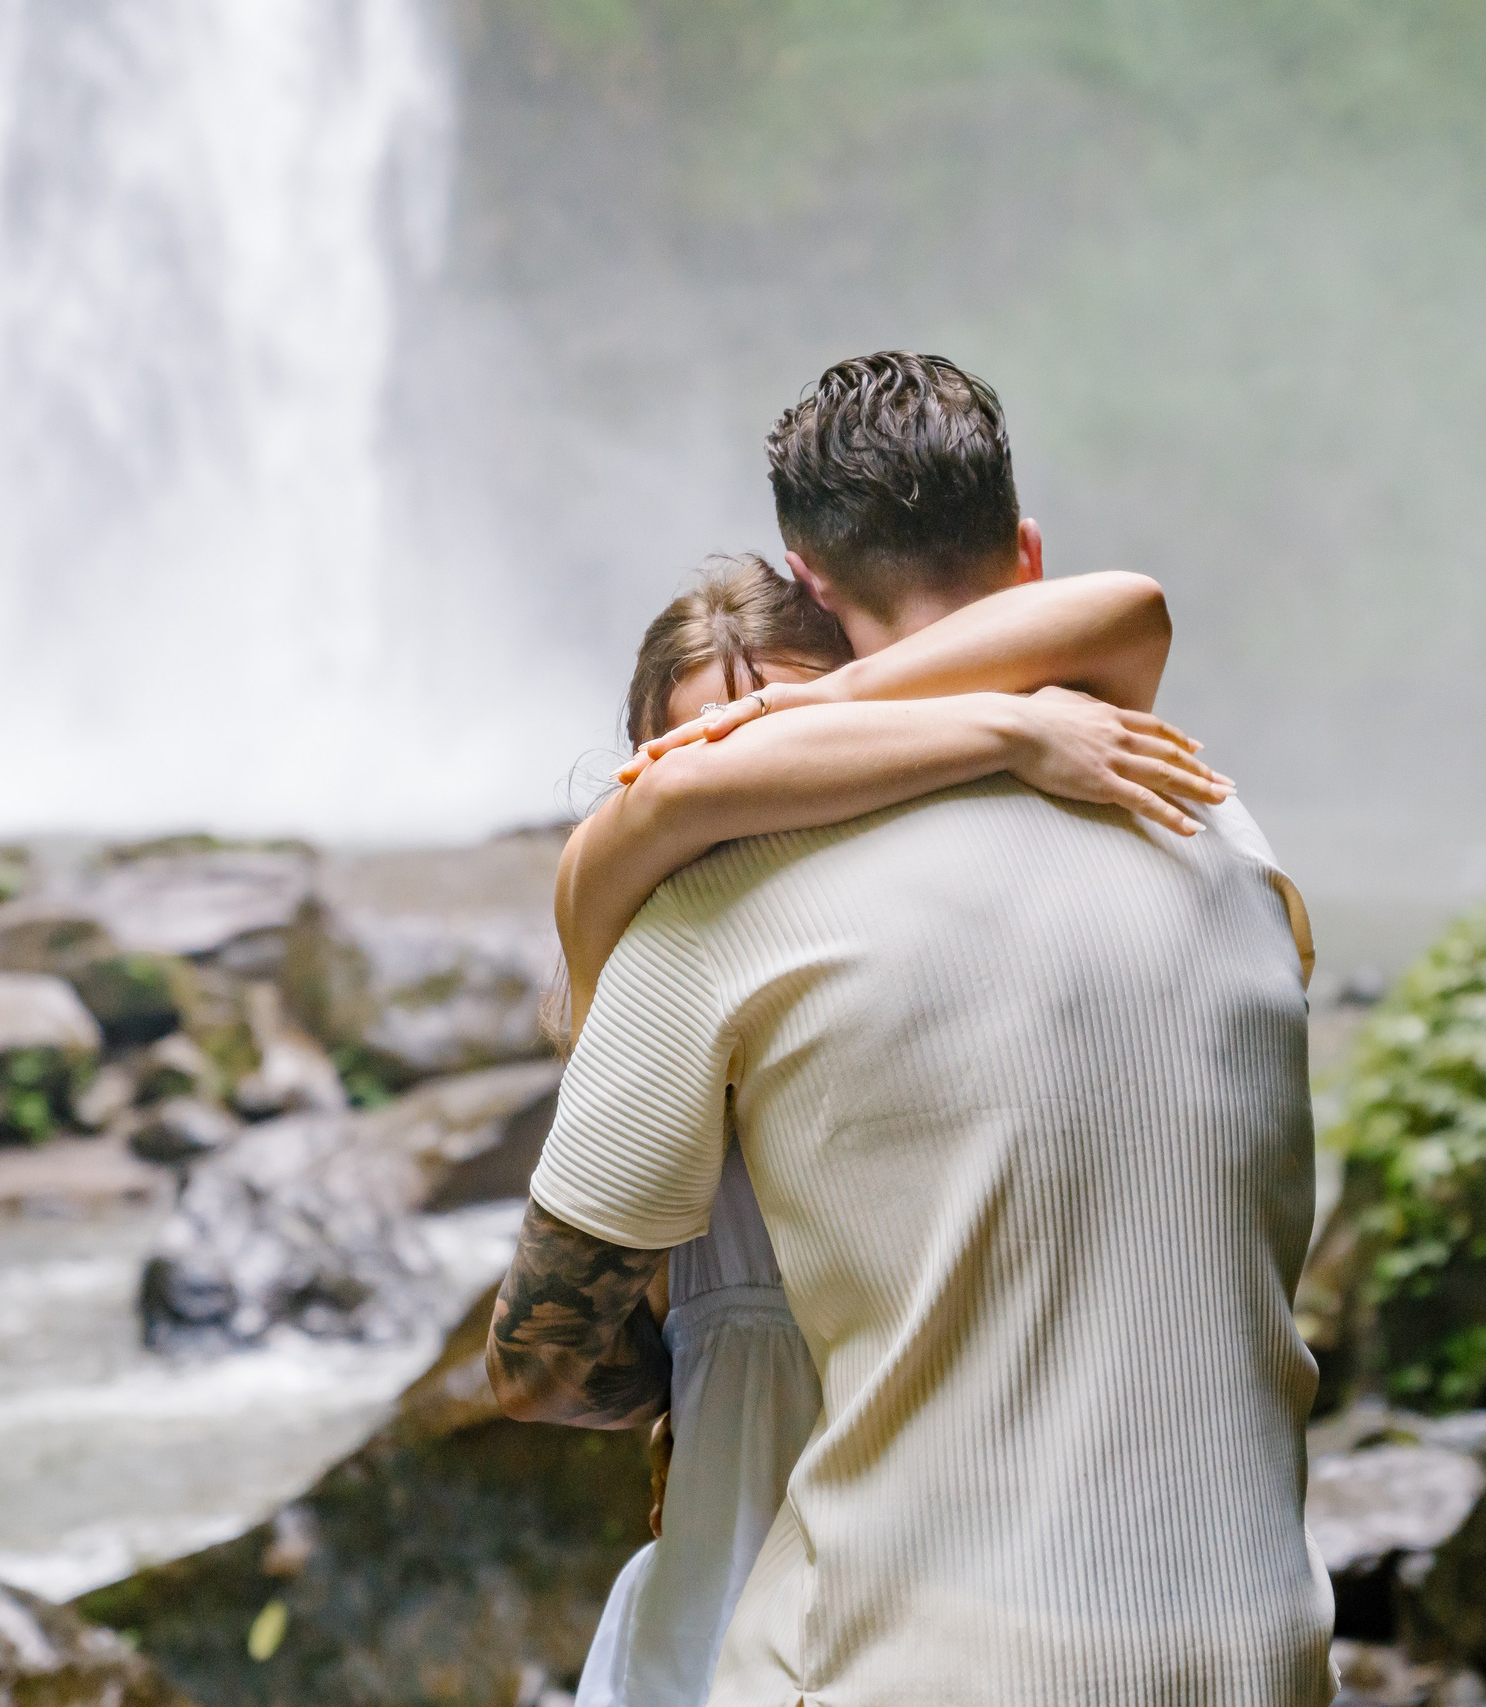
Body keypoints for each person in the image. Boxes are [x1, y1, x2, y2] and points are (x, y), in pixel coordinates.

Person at [491, 353, 1335, 1705]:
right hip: (1261, 1653)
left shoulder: (718, 897)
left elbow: (541, 1354)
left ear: (813, 586)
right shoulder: (1230, 843)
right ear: (1028, 552)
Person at [558, 552, 1233, 1707]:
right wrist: (1011, 734)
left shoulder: (918, 929)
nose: (754, 783)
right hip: (742, 1546)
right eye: (717, 750)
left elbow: (1127, 609)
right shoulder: (644, 933)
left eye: (786, 751)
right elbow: (660, 809)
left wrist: (862, 713)